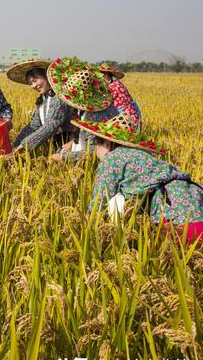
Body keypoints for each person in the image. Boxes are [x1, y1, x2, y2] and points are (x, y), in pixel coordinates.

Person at [73, 113, 203, 244]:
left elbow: (100, 199)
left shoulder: (112, 158)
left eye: (96, 146)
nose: (96, 152)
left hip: (174, 206)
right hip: (194, 194)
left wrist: (86, 227)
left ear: (107, 144)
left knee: (176, 252)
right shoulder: (139, 155)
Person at [46, 57, 119, 161]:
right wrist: (71, 143)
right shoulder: (85, 109)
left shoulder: (97, 115)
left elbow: (94, 150)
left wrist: (63, 157)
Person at [7, 59, 74, 153]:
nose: (33, 86)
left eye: (35, 80)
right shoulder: (43, 99)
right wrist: (15, 144)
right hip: (56, 144)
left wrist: (24, 144)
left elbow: (52, 124)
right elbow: (33, 126)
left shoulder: (59, 97)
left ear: (47, 77)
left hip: (71, 142)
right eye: (30, 83)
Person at [99, 64, 141, 129]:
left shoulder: (112, 87)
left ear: (108, 77)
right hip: (132, 114)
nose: (100, 80)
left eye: (102, 76)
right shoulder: (117, 83)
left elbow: (103, 102)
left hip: (126, 116)